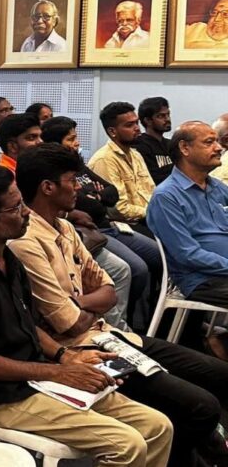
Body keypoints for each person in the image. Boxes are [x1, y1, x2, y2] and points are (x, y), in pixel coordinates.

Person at [0, 164, 173, 467]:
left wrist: (66, 356)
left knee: (158, 427)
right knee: (126, 445)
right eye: (16, 208)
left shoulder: (8, 259)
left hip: (38, 379)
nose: (27, 212)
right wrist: (59, 372)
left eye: (22, 202)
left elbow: (27, 324)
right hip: (2, 398)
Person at [11, 143, 228, 467]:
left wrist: (81, 302)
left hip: (111, 335)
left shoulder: (65, 227)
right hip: (84, 351)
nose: (80, 188)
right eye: (72, 180)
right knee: (200, 406)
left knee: (217, 375)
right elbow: (68, 323)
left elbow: (109, 289)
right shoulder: (26, 242)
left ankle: (194, 462)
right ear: (48, 187)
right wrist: (89, 303)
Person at [41, 116, 161, 332]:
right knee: (132, 269)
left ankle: (145, 320)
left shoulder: (80, 165)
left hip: (107, 226)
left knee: (158, 255)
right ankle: (121, 328)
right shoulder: (56, 170)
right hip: (94, 230)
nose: (77, 142)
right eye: (71, 139)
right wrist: (96, 197)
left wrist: (96, 196)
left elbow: (111, 193)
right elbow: (90, 206)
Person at [149, 121, 228, 319]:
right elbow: (188, 254)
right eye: (209, 142)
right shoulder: (166, 196)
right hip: (203, 279)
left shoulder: (216, 187)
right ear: (185, 148)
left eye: (217, 142)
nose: (218, 148)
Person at [88, 101, 156, 224]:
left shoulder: (136, 155)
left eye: (137, 122)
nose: (137, 128)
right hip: (125, 224)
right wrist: (153, 213)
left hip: (148, 219)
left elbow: (152, 192)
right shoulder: (104, 159)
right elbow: (118, 209)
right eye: (129, 125)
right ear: (112, 132)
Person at [135, 96, 174, 185]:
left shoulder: (172, 144)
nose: (167, 119)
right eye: (161, 116)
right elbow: (152, 178)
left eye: (168, 114)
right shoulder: (140, 146)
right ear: (148, 120)